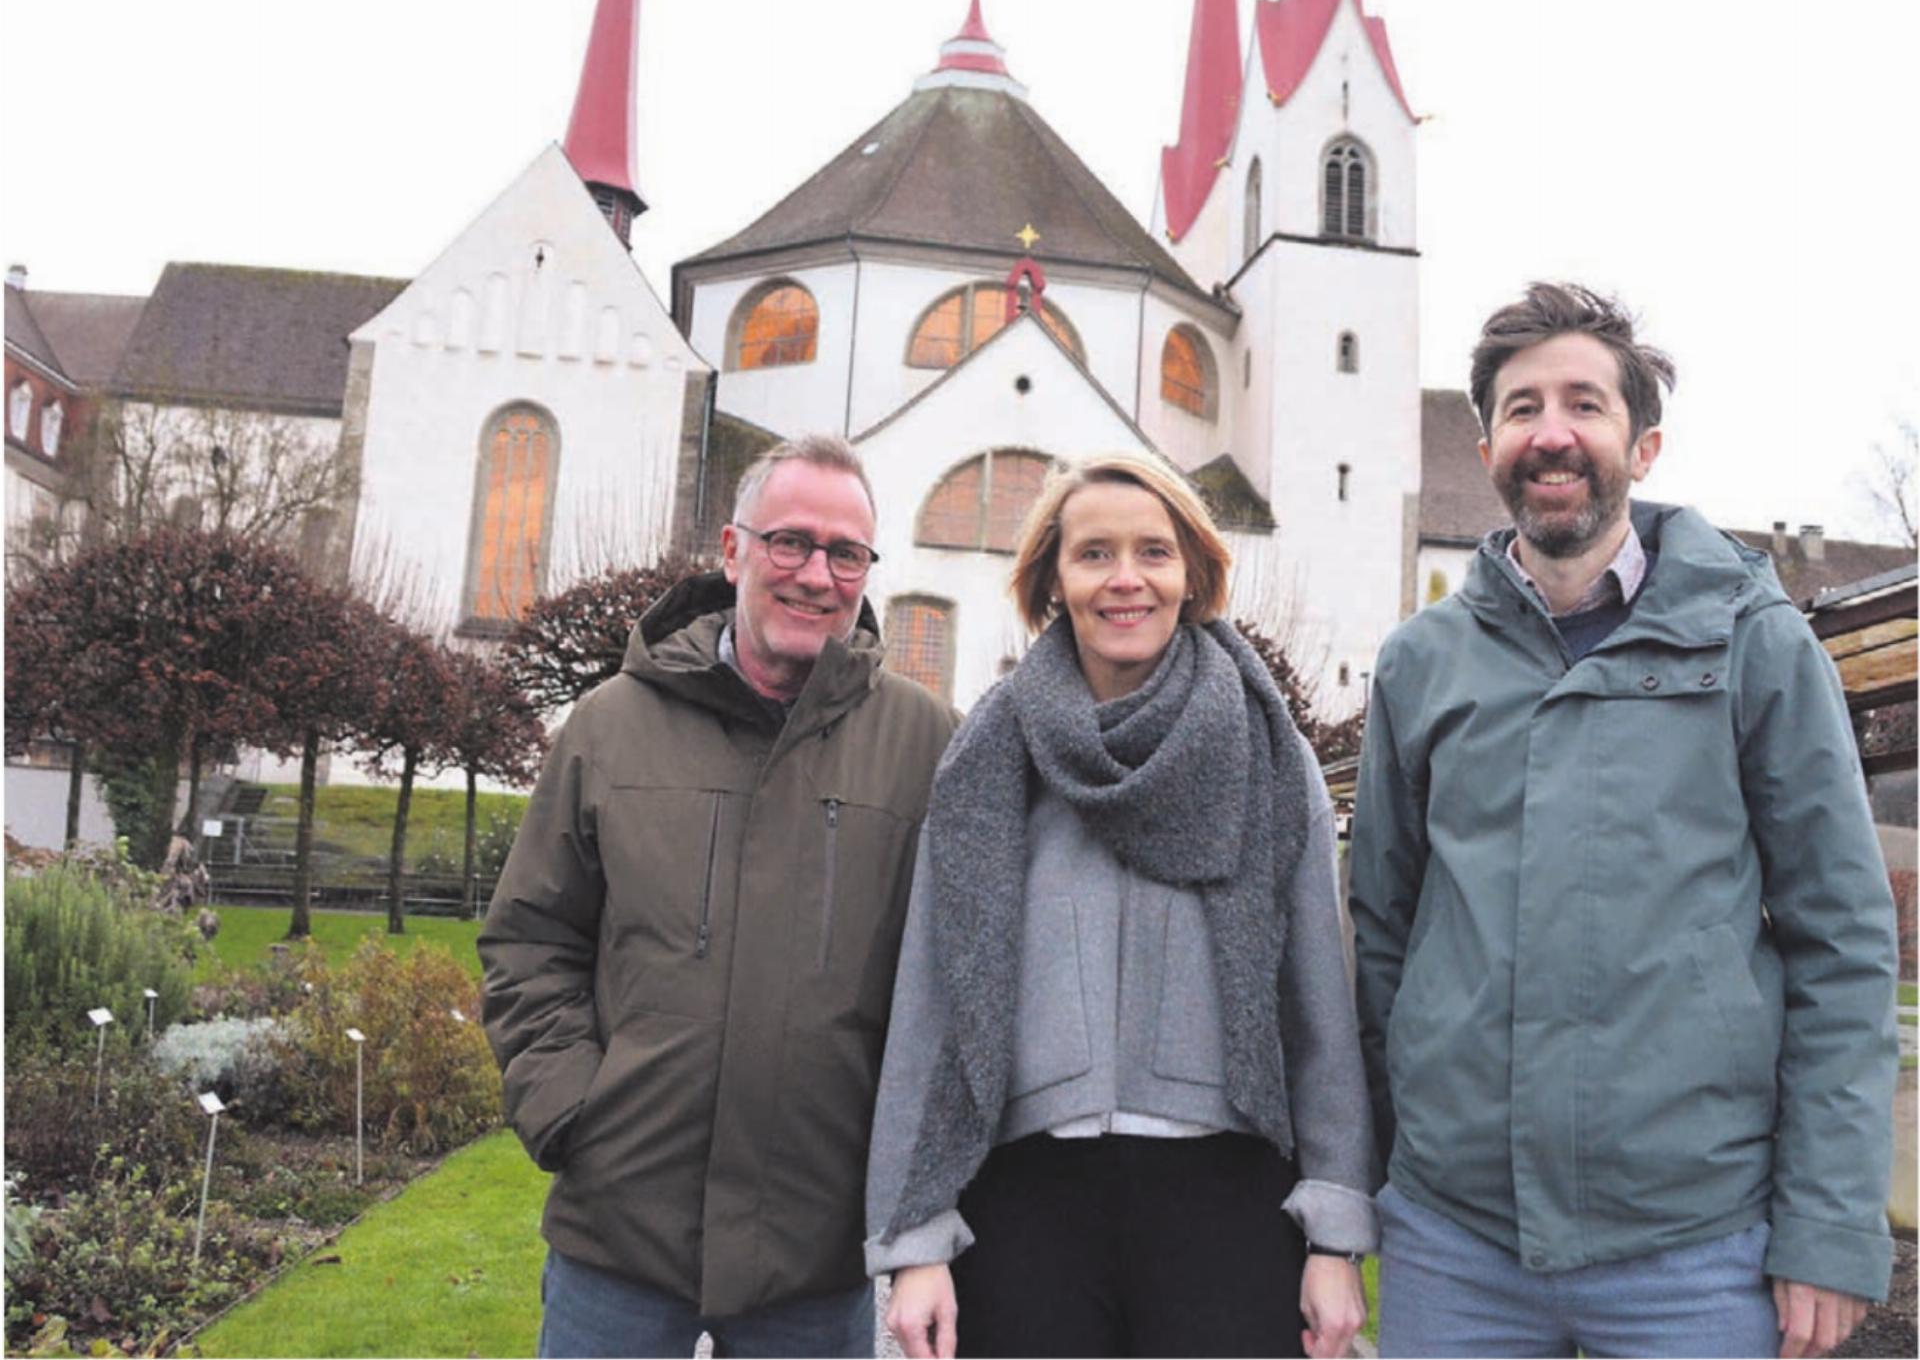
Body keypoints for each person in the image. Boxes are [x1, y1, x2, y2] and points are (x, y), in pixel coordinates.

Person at [1349, 282, 1899, 1359]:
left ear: (1643, 445)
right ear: (1488, 444)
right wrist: (1377, 1169)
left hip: (1694, 1251)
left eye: (1586, 404)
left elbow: (1843, 943)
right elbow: (1382, 932)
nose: (1553, 432)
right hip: (1454, 1247)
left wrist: (1829, 1223)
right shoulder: (1421, 664)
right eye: (1523, 408)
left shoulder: (1753, 643)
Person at [868, 452, 1377, 1360]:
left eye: (1154, 551)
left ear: (1194, 573)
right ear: (1053, 581)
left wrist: (1336, 1232)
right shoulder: (991, 757)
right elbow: (931, 1007)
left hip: (1229, 1198)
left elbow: (1319, 1004)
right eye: (1094, 554)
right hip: (1024, 1206)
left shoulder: (1268, 753)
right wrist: (913, 1244)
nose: (1126, 579)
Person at [480, 434, 956, 1359]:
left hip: (814, 1253)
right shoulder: (611, 726)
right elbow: (531, 939)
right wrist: (572, 1110)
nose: (817, 574)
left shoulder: (925, 745)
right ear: (733, 551)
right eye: (790, 542)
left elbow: (950, 982)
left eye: (845, 552)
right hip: (620, 1239)